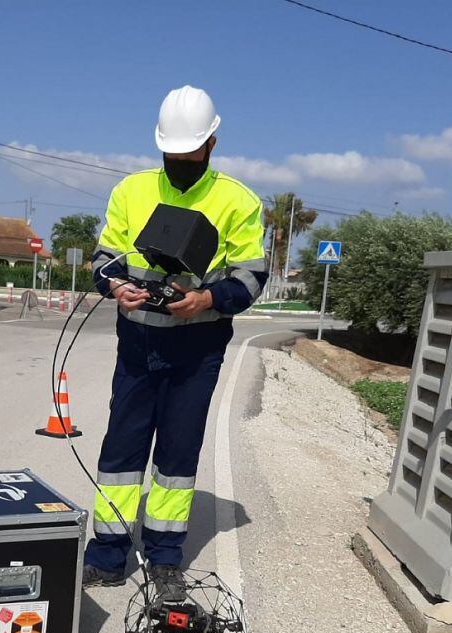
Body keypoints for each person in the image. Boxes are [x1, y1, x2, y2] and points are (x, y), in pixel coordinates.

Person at [82, 85, 267, 601]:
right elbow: (106, 257)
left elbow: (252, 274)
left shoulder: (237, 200)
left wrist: (207, 299)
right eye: (172, 154)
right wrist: (115, 285)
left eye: (190, 154)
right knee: (121, 451)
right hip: (138, 344)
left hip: (197, 350)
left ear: (211, 144)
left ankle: (164, 559)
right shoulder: (131, 191)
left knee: (177, 456)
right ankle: (108, 556)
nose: (180, 162)